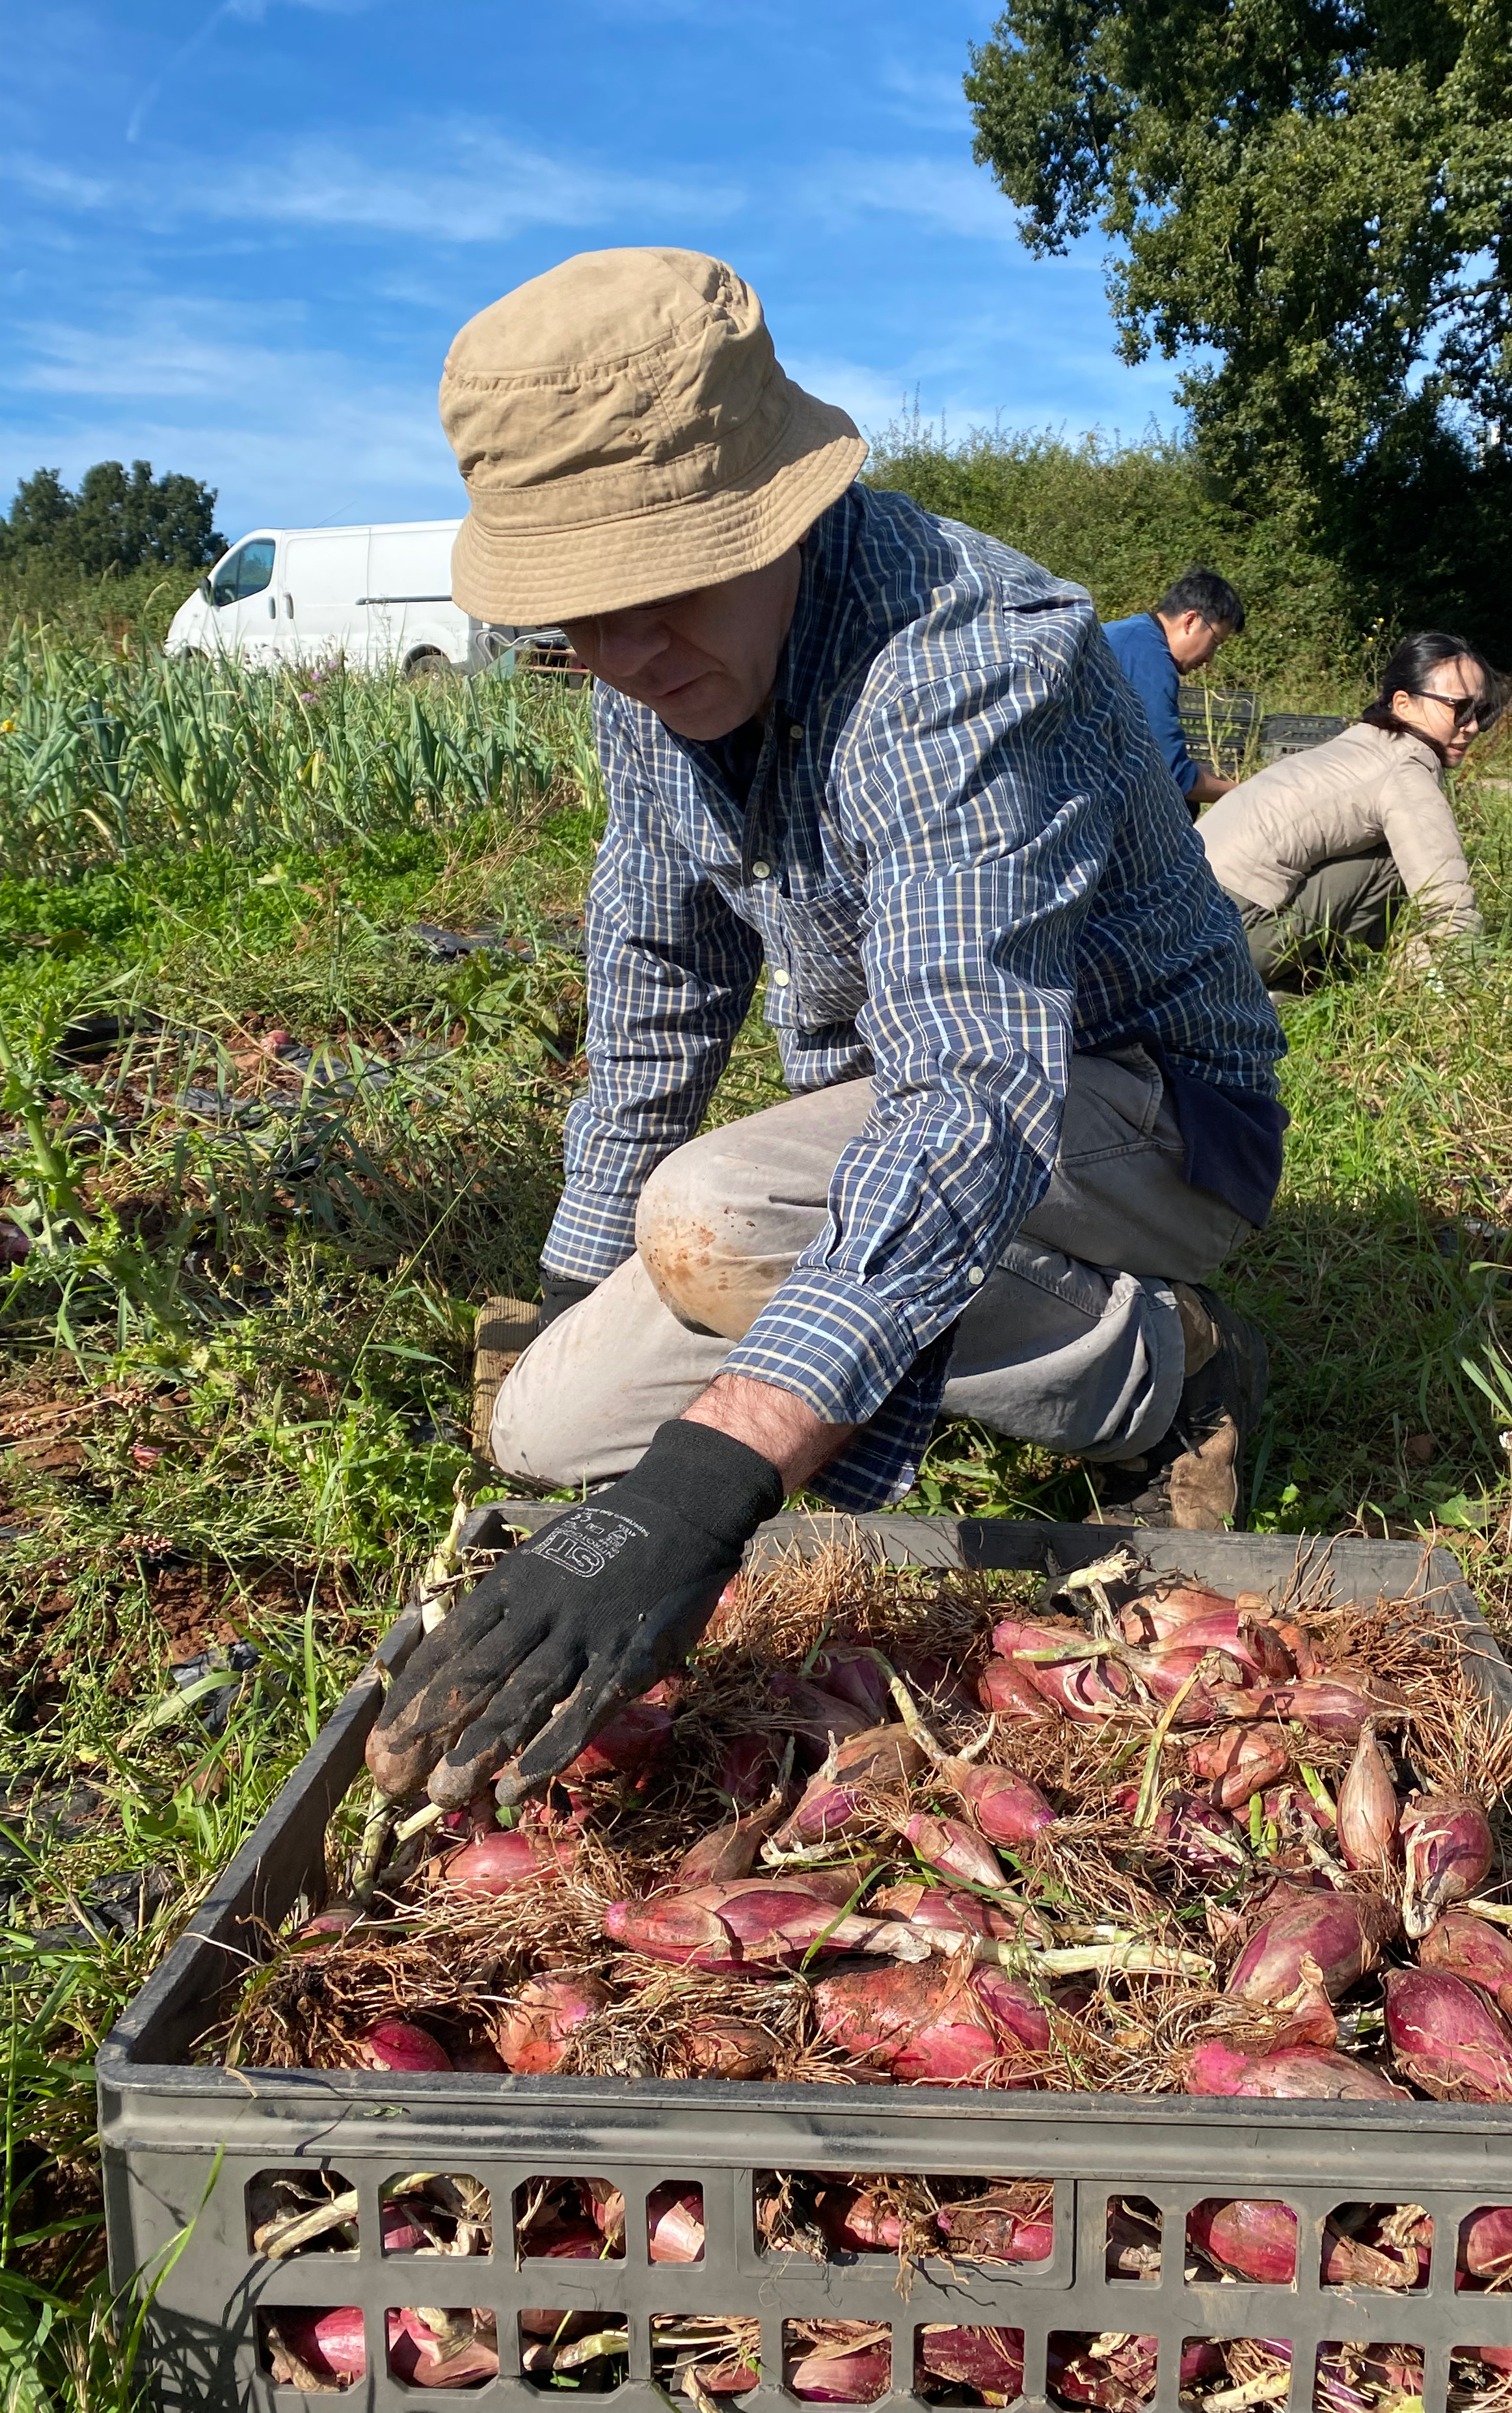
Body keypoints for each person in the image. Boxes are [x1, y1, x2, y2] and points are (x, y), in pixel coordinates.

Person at [368, 247, 1287, 1811]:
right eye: (582, 620)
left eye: (668, 588)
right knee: (549, 1427)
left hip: (1138, 1109)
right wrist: (571, 1292)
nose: (629, 654)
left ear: (779, 514)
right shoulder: (647, 686)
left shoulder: (964, 661)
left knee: (719, 1219)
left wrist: (712, 1480)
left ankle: (1165, 1364)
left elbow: (971, 1098)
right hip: (913, 1117)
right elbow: (656, 981)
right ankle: (855, 1328)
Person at [1199, 632, 1493, 984]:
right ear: (1403, 704)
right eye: (1460, 709)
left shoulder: (1361, 743)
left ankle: (1316, 972)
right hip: (1223, 945)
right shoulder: (1404, 768)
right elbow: (1448, 904)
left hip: (1174, 921)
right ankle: (1306, 981)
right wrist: (1463, 981)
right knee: (1391, 857)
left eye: (1483, 711)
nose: (1473, 727)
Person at [1102, 570, 1247, 809]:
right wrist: (1246, 793)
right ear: (1190, 621)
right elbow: (1172, 774)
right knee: (1183, 806)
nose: (1210, 659)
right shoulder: (1149, 659)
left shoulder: (1133, 632)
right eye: (1215, 643)